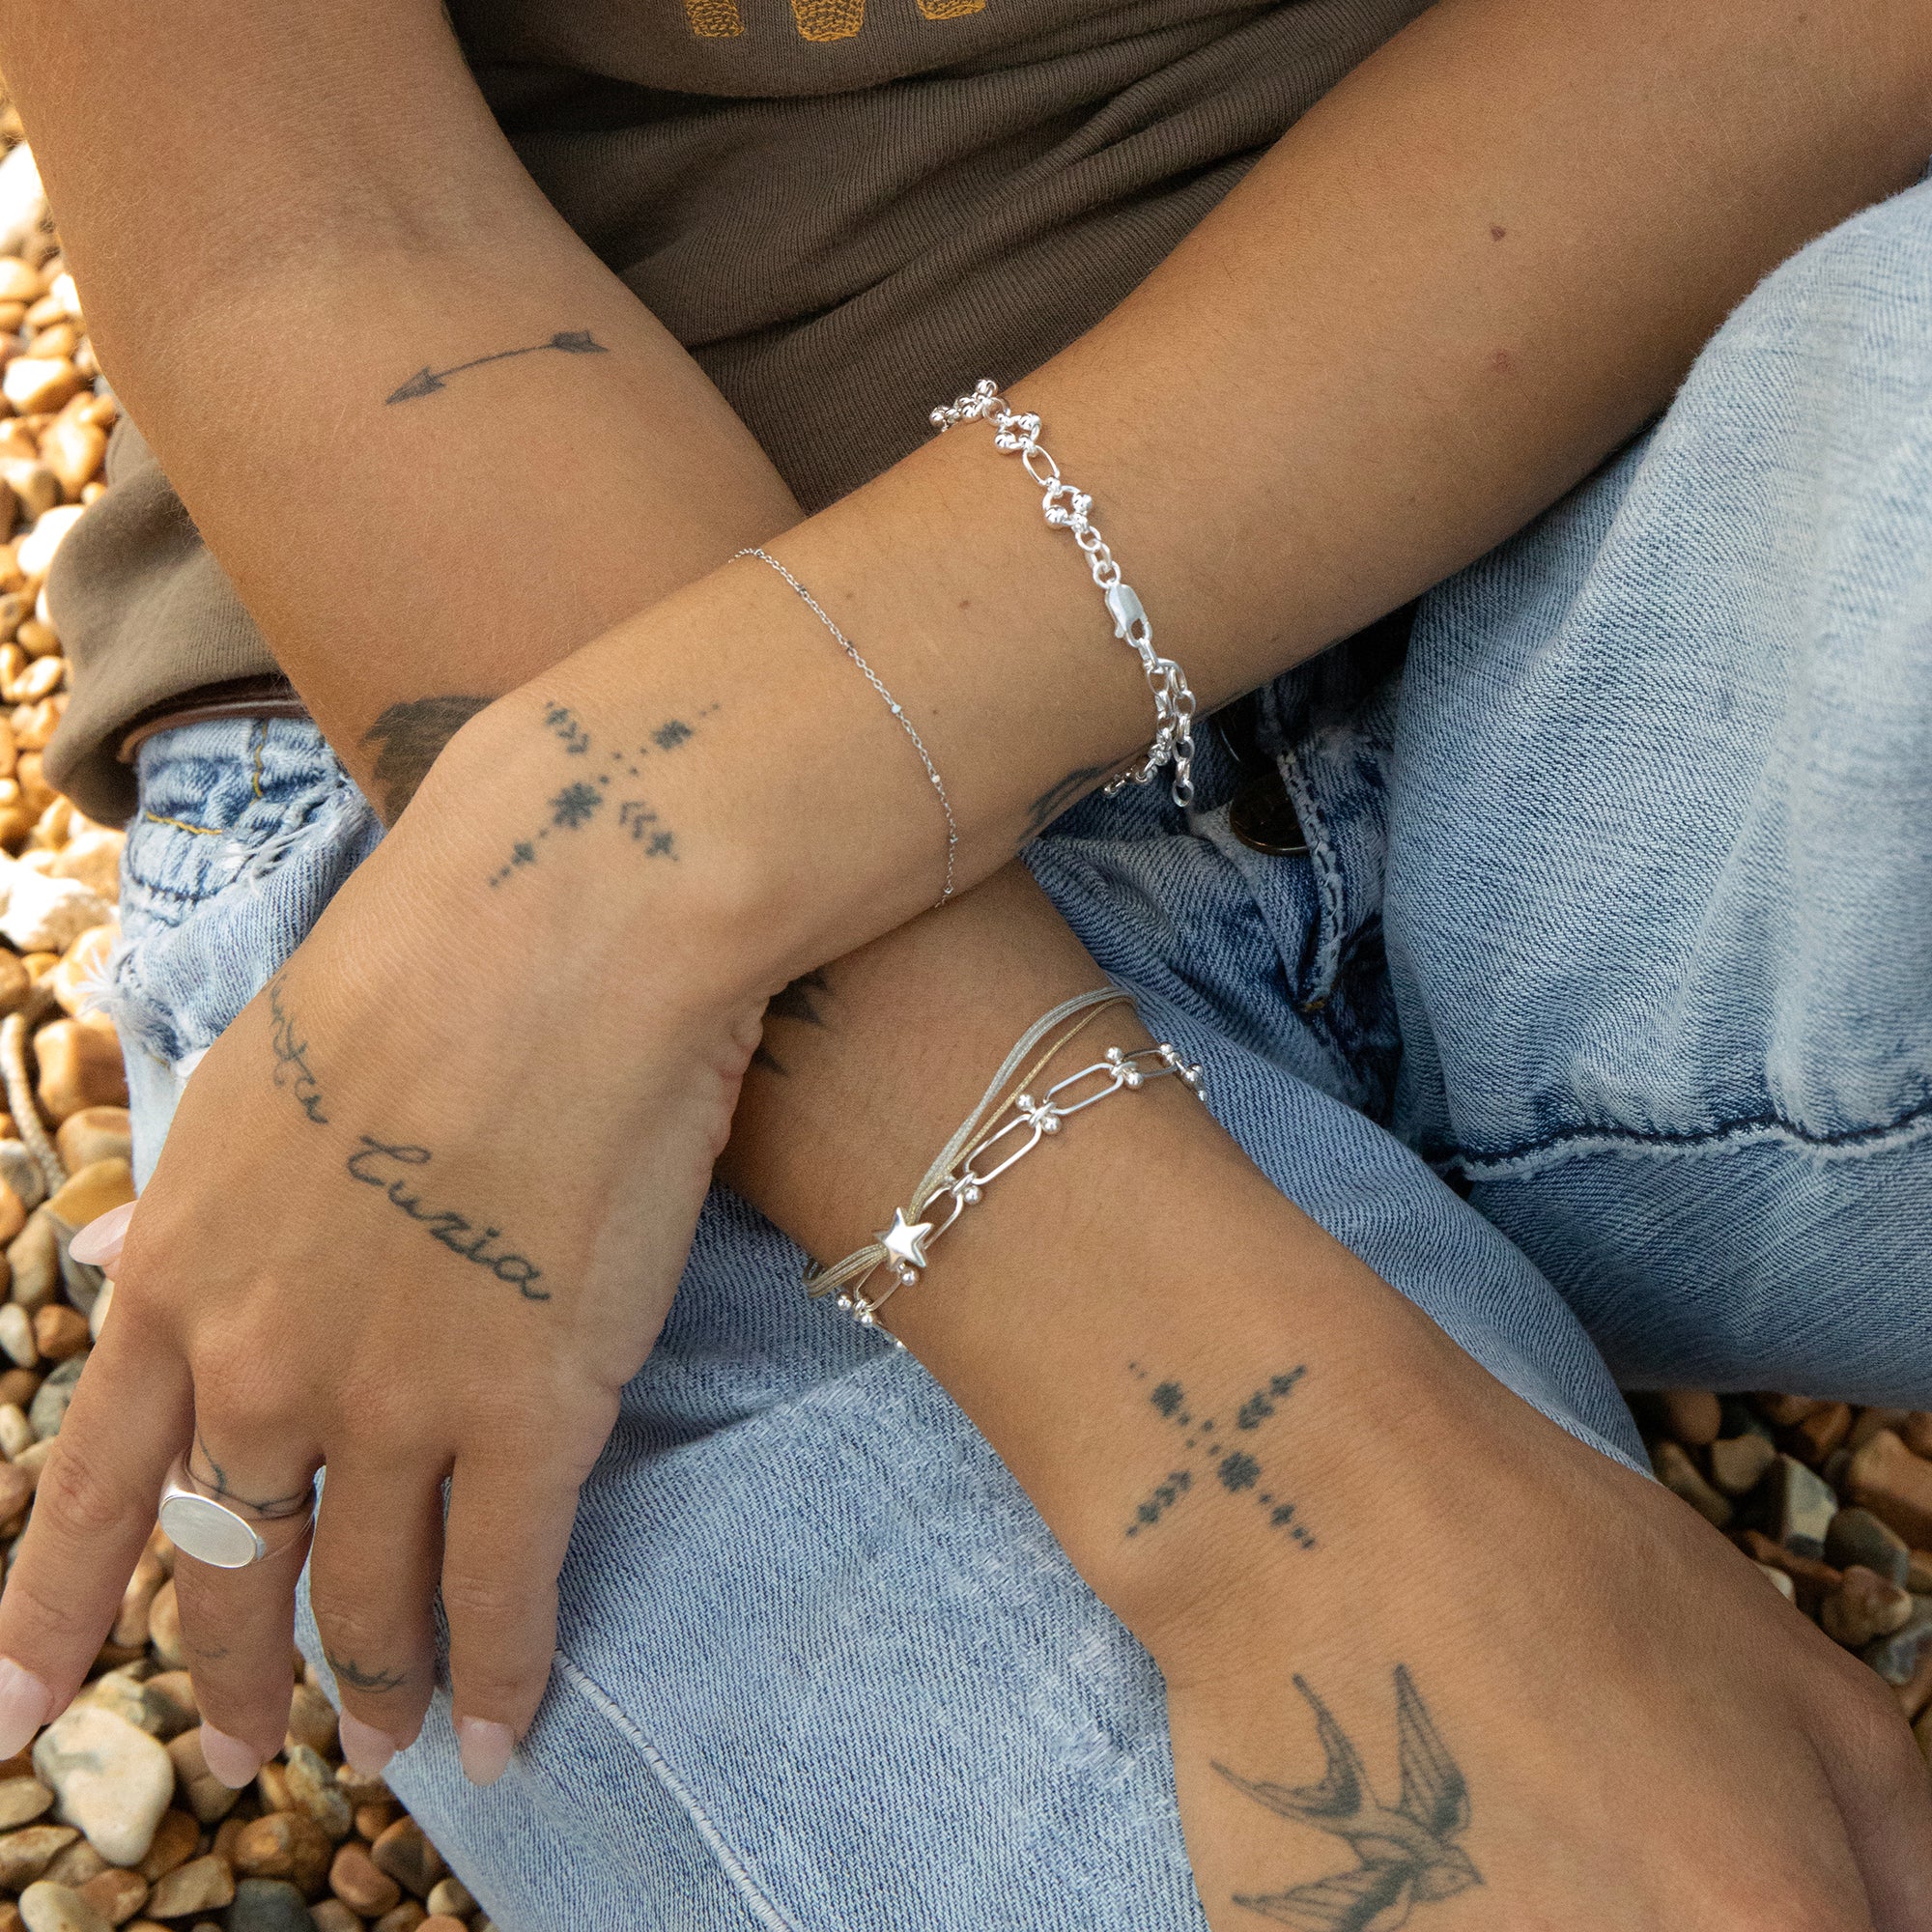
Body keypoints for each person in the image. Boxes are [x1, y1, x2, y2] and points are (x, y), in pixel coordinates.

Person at [0, 0, 1927, 1925]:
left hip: (1640, 401)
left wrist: (641, 852)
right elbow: (302, 237)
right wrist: (1293, 1467)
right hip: (507, 647)